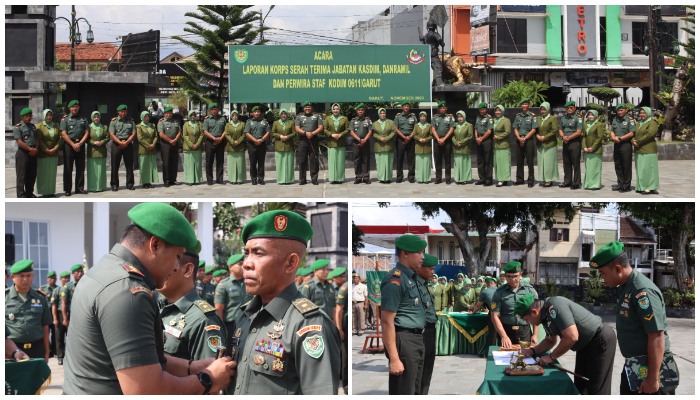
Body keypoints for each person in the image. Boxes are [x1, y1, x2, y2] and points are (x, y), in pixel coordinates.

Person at [62, 203, 236, 395]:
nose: (177, 266)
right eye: (177, 256)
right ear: (155, 245)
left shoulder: (104, 270)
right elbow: (146, 391)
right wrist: (208, 379)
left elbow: (139, 357)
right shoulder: (129, 291)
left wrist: (191, 367)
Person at [225, 210, 341, 394]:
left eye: (259, 254)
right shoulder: (246, 315)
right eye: (246, 253)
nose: (247, 263)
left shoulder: (309, 325)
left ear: (291, 263)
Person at [591, 241, 679, 394]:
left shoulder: (642, 291)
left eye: (603, 273)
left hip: (651, 371)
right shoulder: (625, 287)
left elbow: (657, 336)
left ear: (618, 269)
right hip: (635, 366)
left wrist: (652, 379)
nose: (602, 278)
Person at [516, 294, 617, 395]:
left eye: (526, 320)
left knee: (596, 390)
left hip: (599, 340)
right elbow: (550, 340)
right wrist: (532, 351)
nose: (528, 323)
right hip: (584, 345)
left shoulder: (554, 306)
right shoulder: (545, 314)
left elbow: (571, 337)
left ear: (534, 312)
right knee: (580, 386)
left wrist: (551, 357)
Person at [159, 240, 227, 361]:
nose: (157, 270)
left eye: (165, 264)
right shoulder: (158, 305)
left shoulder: (204, 320)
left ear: (187, 270)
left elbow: (209, 376)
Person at [380, 234, 427, 395]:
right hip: (404, 341)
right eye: (419, 253)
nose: (422, 257)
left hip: (416, 340)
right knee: (403, 391)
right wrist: (394, 359)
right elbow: (386, 321)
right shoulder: (395, 280)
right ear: (405, 253)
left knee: (415, 391)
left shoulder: (410, 278)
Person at [5, 260, 51, 362]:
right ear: (13, 277)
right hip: (12, 350)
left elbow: (45, 328)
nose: (25, 279)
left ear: (33, 276)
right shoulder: (4, 297)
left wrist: (46, 353)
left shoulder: (40, 297)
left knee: (37, 378)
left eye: (28, 275)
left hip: (37, 349)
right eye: (21, 276)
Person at [491, 261, 539, 348]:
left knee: (525, 358)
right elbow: (494, 316)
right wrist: (503, 336)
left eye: (515, 276)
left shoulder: (529, 290)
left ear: (521, 274)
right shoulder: (499, 292)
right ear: (505, 276)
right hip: (506, 331)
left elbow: (536, 313)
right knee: (505, 359)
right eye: (509, 276)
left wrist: (535, 335)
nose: (513, 279)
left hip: (525, 332)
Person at [214, 254, 252, 343]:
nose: (243, 267)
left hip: (248, 323)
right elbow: (219, 309)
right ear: (230, 267)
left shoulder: (249, 282)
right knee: (231, 353)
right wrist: (222, 329)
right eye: (240, 264)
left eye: (244, 264)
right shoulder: (223, 285)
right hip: (231, 326)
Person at [416, 254, 438, 395]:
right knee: (419, 374)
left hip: (429, 333)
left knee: (427, 372)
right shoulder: (414, 285)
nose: (433, 272)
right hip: (420, 335)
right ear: (420, 267)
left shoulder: (424, 285)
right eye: (430, 269)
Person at [60, 100, 89, 196]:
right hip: (69, 145)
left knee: (80, 167)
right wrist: (73, 144)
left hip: (80, 144)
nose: (74, 108)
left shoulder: (83, 119)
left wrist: (80, 144)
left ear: (79, 108)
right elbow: (63, 133)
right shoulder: (65, 119)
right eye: (73, 107)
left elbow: (86, 133)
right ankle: (67, 189)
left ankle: (79, 188)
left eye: (76, 106)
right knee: (68, 167)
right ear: (69, 108)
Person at [108, 104, 137, 191]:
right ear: (118, 112)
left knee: (129, 165)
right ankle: (114, 184)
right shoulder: (114, 121)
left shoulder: (131, 121)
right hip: (116, 144)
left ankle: (130, 183)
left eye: (125, 111)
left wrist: (127, 142)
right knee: (114, 165)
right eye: (122, 111)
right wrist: (120, 143)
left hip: (128, 144)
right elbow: (111, 134)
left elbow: (133, 133)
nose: (123, 113)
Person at [294, 102, 324, 185]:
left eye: (309, 107)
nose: (307, 108)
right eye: (306, 107)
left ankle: (314, 178)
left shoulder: (317, 116)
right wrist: (305, 133)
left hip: (313, 138)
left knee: (313, 159)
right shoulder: (299, 117)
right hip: (303, 139)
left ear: (311, 108)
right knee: (302, 159)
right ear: (303, 108)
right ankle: (302, 179)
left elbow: (321, 127)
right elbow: (297, 128)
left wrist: (312, 133)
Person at [512, 98, 538, 187]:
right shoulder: (518, 116)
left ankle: (530, 180)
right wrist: (519, 138)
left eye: (526, 104)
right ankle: (520, 179)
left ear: (529, 105)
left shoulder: (532, 116)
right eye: (523, 104)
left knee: (530, 161)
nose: (524, 106)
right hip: (519, 140)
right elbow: (515, 128)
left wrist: (525, 138)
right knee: (519, 160)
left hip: (529, 140)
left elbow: (534, 129)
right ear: (520, 105)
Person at [634, 107, 660, 195]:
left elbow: (650, 134)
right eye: (641, 113)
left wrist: (638, 141)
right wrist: (633, 141)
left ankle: (650, 187)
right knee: (641, 169)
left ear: (648, 113)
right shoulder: (638, 123)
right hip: (639, 149)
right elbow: (633, 134)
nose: (642, 115)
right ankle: (641, 186)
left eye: (644, 113)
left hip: (648, 149)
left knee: (649, 169)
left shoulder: (652, 123)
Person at [36, 109, 62, 197]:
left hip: (54, 153)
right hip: (43, 153)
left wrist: (55, 148)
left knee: (52, 173)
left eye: (50, 115)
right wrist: (46, 149)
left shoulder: (56, 125)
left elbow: (59, 138)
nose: (49, 117)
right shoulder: (39, 126)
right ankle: (44, 192)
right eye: (47, 115)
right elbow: (39, 139)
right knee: (43, 173)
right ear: (43, 116)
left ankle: (51, 191)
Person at [610, 103, 636, 192]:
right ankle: (620, 184)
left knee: (626, 165)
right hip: (616, 144)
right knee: (618, 165)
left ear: (626, 111)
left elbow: (632, 133)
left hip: (625, 144)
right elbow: (612, 130)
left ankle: (626, 185)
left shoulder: (630, 120)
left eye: (621, 110)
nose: (620, 112)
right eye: (618, 110)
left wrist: (621, 138)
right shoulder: (615, 120)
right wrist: (613, 138)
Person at [14, 107, 39, 198]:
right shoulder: (18, 127)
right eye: (26, 116)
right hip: (23, 153)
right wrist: (30, 149)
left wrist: (35, 149)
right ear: (22, 117)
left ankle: (29, 192)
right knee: (22, 175)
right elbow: (19, 141)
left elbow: (36, 139)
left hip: (33, 152)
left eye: (30, 116)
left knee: (32, 174)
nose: (28, 117)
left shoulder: (33, 126)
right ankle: (21, 194)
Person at [559, 101, 583, 190]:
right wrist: (563, 137)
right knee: (566, 162)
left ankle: (576, 182)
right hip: (565, 141)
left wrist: (568, 137)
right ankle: (567, 181)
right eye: (567, 108)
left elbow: (579, 132)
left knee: (575, 163)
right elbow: (560, 129)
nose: (569, 109)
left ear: (574, 108)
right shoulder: (563, 118)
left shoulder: (578, 118)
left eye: (571, 108)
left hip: (574, 142)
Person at [244, 106, 271, 185]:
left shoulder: (264, 122)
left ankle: (261, 178)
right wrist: (254, 140)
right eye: (255, 112)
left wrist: (262, 140)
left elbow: (268, 132)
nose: (256, 113)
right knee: (252, 162)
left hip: (262, 144)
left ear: (260, 113)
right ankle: (253, 178)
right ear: (252, 113)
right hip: (252, 144)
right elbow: (246, 133)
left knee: (261, 162)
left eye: (258, 112)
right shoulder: (249, 122)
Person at [468, 276, 498, 346]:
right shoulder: (500, 290)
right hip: (503, 313)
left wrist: (473, 312)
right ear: (495, 284)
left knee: (492, 333)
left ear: (487, 285)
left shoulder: (485, 291)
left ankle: (490, 351)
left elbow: (477, 306)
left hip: (493, 313)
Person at [536, 102, 560, 187]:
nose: (543, 111)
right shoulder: (538, 118)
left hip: (550, 143)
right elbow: (535, 129)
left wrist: (545, 137)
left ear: (548, 109)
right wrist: (537, 136)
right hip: (540, 144)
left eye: (544, 109)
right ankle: (543, 179)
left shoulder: (552, 118)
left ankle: (549, 180)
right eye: (541, 109)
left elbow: (555, 130)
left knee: (549, 163)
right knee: (542, 162)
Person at [202, 103, 227, 185]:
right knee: (209, 161)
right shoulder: (207, 119)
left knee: (220, 161)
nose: (214, 111)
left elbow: (225, 130)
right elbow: (205, 131)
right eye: (212, 109)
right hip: (210, 142)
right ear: (210, 111)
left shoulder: (222, 119)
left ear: (218, 110)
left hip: (220, 142)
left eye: (215, 109)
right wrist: (214, 138)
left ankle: (220, 179)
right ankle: (209, 179)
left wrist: (220, 138)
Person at [324, 103, 349, 184]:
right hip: (331, 142)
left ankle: (340, 178)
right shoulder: (328, 118)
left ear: (339, 110)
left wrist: (340, 134)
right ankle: (333, 178)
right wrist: (332, 134)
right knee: (332, 161)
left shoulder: (344, 118)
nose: (335, 110)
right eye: (334, 109)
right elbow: (324, 129)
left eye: (337, 109)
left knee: (340, 161)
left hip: (341, 142)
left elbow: (347, 129)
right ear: (332, 109)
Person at [431, 101, 455, 184]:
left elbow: (451, 129)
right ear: (438, 109)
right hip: (437, 141)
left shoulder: (450, 118)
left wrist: (444, 139)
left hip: (447, 141)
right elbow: (433, 129)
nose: (442, 109)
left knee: (447, 160)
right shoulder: (435, 118)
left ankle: (448, 178)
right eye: (440, 108)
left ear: (446, 108)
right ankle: (438, 178)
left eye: (443, 108)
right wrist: (438, 139)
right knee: (438, 160)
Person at [157, 106, 182, 187]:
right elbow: (161, 134)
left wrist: (175, 140)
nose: (169, 114)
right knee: (166, 162)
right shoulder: (161, 122)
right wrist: (170, 140)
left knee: (174, 162)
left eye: (170, 113)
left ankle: (173, 179)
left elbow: (179, 131)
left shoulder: (175, 121)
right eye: (167, 113)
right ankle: (167, 180)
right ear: (164, 114)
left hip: (174, 143)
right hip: (165, 144)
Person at [271, 109, 297, 185]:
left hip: (288, 145)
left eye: (285, 113)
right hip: (279, 145)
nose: (283, 115)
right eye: (282, 114)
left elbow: (294, 133)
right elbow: (272, 133)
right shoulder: (276, 123)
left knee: (289, 163)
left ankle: (289, 179)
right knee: (280, 164)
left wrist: (287, 137)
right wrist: (280, 136)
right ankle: (280, 179)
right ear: (280, 115)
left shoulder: (291, 123)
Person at [394, 101, 417, 183]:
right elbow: (396, 128)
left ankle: (411, 176)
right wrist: (404, 137)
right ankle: (399, 176)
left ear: (409, 107)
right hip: (400, 139)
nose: (406, 107)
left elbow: (415, 128)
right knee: (400, 158)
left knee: (411, 159)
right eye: (405, 106)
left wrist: (410, 137)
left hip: (411, 139)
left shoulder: (413, 117)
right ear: (402, 107)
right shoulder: (398, 117)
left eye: (408, 106)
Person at [582, 109, 605, 190]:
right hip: (587, 149)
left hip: (596, 150)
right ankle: (588, 184)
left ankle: (595, 184)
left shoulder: (599, 124)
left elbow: (600, 137)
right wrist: (584, 147)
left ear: (595, 115)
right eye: (589, 115)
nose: (590, 116)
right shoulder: (586, 124)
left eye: (592, 115)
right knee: (588, 168)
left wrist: (593, 147)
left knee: (595, 168)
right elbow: (584, 136)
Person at [350, 103, 373, 184]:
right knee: (357, 160)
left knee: (366, 160)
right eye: (359, 110)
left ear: (364, 111)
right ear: (357, 111)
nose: (360, 111)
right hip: (356, 143)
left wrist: (364, 140)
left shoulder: (368, 120)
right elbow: (351, 132)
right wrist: (359, 140)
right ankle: (358, 177)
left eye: (362, 110)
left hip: (366, 142)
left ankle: (366, 177)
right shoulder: (353, 120)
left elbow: (370, 131)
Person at [373, 108, 397, 184]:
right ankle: (381, 178)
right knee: (380, 162)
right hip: (379, 145)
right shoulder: (375, 123)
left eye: (384, 113)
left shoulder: (391, 122)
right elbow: (373, 133)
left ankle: (388, 178)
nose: (382, 115)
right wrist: (380, 138)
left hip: (388, 145)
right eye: (381, 113)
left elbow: (394, 131)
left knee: (388, 162)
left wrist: (386, 138)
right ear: (378, 114)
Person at [51, 271, 70, 364]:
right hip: (59, 315)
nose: (66, 279)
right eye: (64, 278)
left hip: (70, 314)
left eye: (68, 277)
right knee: (59, 337)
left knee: (70, 336)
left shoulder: (71, 288)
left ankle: (70, 356)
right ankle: (60, 357)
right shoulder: (57, 290)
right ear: (60, 279)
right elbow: (54, 305)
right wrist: (55, 318)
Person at [409, 111, 433, 184]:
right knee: (419, 164)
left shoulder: (429, 125)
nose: (422, 118)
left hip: (427, 147)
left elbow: (431, 135)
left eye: (424, 116)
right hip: (418, 147)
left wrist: (425, 139)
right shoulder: (416, 125)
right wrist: (419, 139)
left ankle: (427, 178)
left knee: (426, 164)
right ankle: (419, 178)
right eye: (421, 116)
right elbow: (414, 134)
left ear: (426, 117)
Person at [136, 111, 159, 189]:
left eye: (148, 116)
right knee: (144, 166)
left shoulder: (152, 125)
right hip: (144, 149)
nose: (147, 118)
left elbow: (156, 136)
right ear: (142, 117)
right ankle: (144, 182)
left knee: (150, 166)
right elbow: (140, 138)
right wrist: (148, 145)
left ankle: (149, 182)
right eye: (145, 117)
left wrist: (153, 144)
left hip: (152, 149)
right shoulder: (139, 126)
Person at [474, 102, 494, 186]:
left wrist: (481, 138)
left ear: (486, 109)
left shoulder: (489, 118)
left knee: (488, 160)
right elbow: (475, 129)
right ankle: (482, 178)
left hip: (486, 140)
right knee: (480, 160)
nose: (482, 111)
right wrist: (477, 138)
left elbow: (489, 131)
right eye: (481, 109)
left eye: (483, 109)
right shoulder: (478, 118)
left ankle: (488, 179)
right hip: (479, 140)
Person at [491, 105, 512, 187]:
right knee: (498, 163)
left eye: (499, 111)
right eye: (496, 111)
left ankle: (504, 179)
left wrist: (498, 137)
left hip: (503, 144)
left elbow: (507, 131)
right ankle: (500, 178)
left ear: (502, 111)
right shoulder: (494, 120)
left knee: (504, 162)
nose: (498, 112)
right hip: (496, 145)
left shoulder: (506, 120)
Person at [39, 270, 58, 356]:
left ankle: (55, 351)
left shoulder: (58, 289)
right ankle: (48, 351)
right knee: (46, 332)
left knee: (55, 333)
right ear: (47, 279)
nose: (53, 280)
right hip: (45, 312)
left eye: (54, 278)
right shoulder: (42, 289)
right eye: (51, 278)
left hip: (55, 312)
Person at [183, 110, 204, 185]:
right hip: (189, 148)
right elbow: (185, 135)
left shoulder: (199, 124)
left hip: (197, 148)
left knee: (197, 164)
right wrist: (191, 145)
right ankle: (189, 180)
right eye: (191, 115)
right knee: (189, 164)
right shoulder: (186, 125)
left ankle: (197, 179)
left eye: (194, 115)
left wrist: (197, 144)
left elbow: (202, 134)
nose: (193, 117)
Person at [452, 110, 474, 184]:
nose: (460, 118)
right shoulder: (455, 125)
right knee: (457, 164)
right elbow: (452, 136)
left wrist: (461, 142)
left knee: (464, 163)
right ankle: (457, 178)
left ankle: (464, 178)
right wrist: (455, 142)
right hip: (456, 148)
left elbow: (470, 136)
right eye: (458, 117)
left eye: (461, 117)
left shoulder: (469, 125)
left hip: (465, 147)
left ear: (464, 117)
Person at [335, 278, 349, 394]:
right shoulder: (345, 287)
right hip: (346, 323)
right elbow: (339, 309)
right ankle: (346, 385)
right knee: (346, 357)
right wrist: (339, 329)